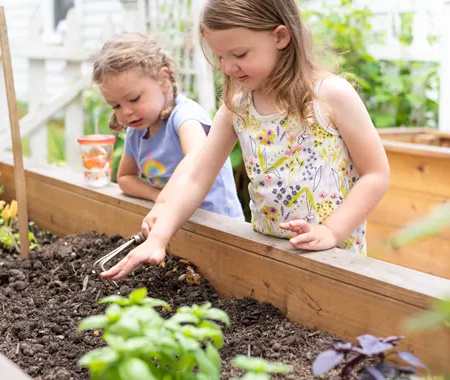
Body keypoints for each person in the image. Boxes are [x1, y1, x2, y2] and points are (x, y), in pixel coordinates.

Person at [100, 0, 390, 281]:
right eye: (220, 57)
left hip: (335, 259)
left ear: (280, 36)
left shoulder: (329, 95)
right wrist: (159, 238)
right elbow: (197, 176)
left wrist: (332, 231)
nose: (227, 68)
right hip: (267, 254)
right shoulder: (237, 106)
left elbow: (375, 174)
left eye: (239, 55)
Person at [92, 32, 244, 223]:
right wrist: (158, 197)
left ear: (163, 80)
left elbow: (196, 156)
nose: (126, 112)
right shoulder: (136, 131)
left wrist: (165, 201)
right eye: (116, 106)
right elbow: (125, 178)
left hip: (218, 224)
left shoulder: (184, 116)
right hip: (176, 223)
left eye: (134, 99)